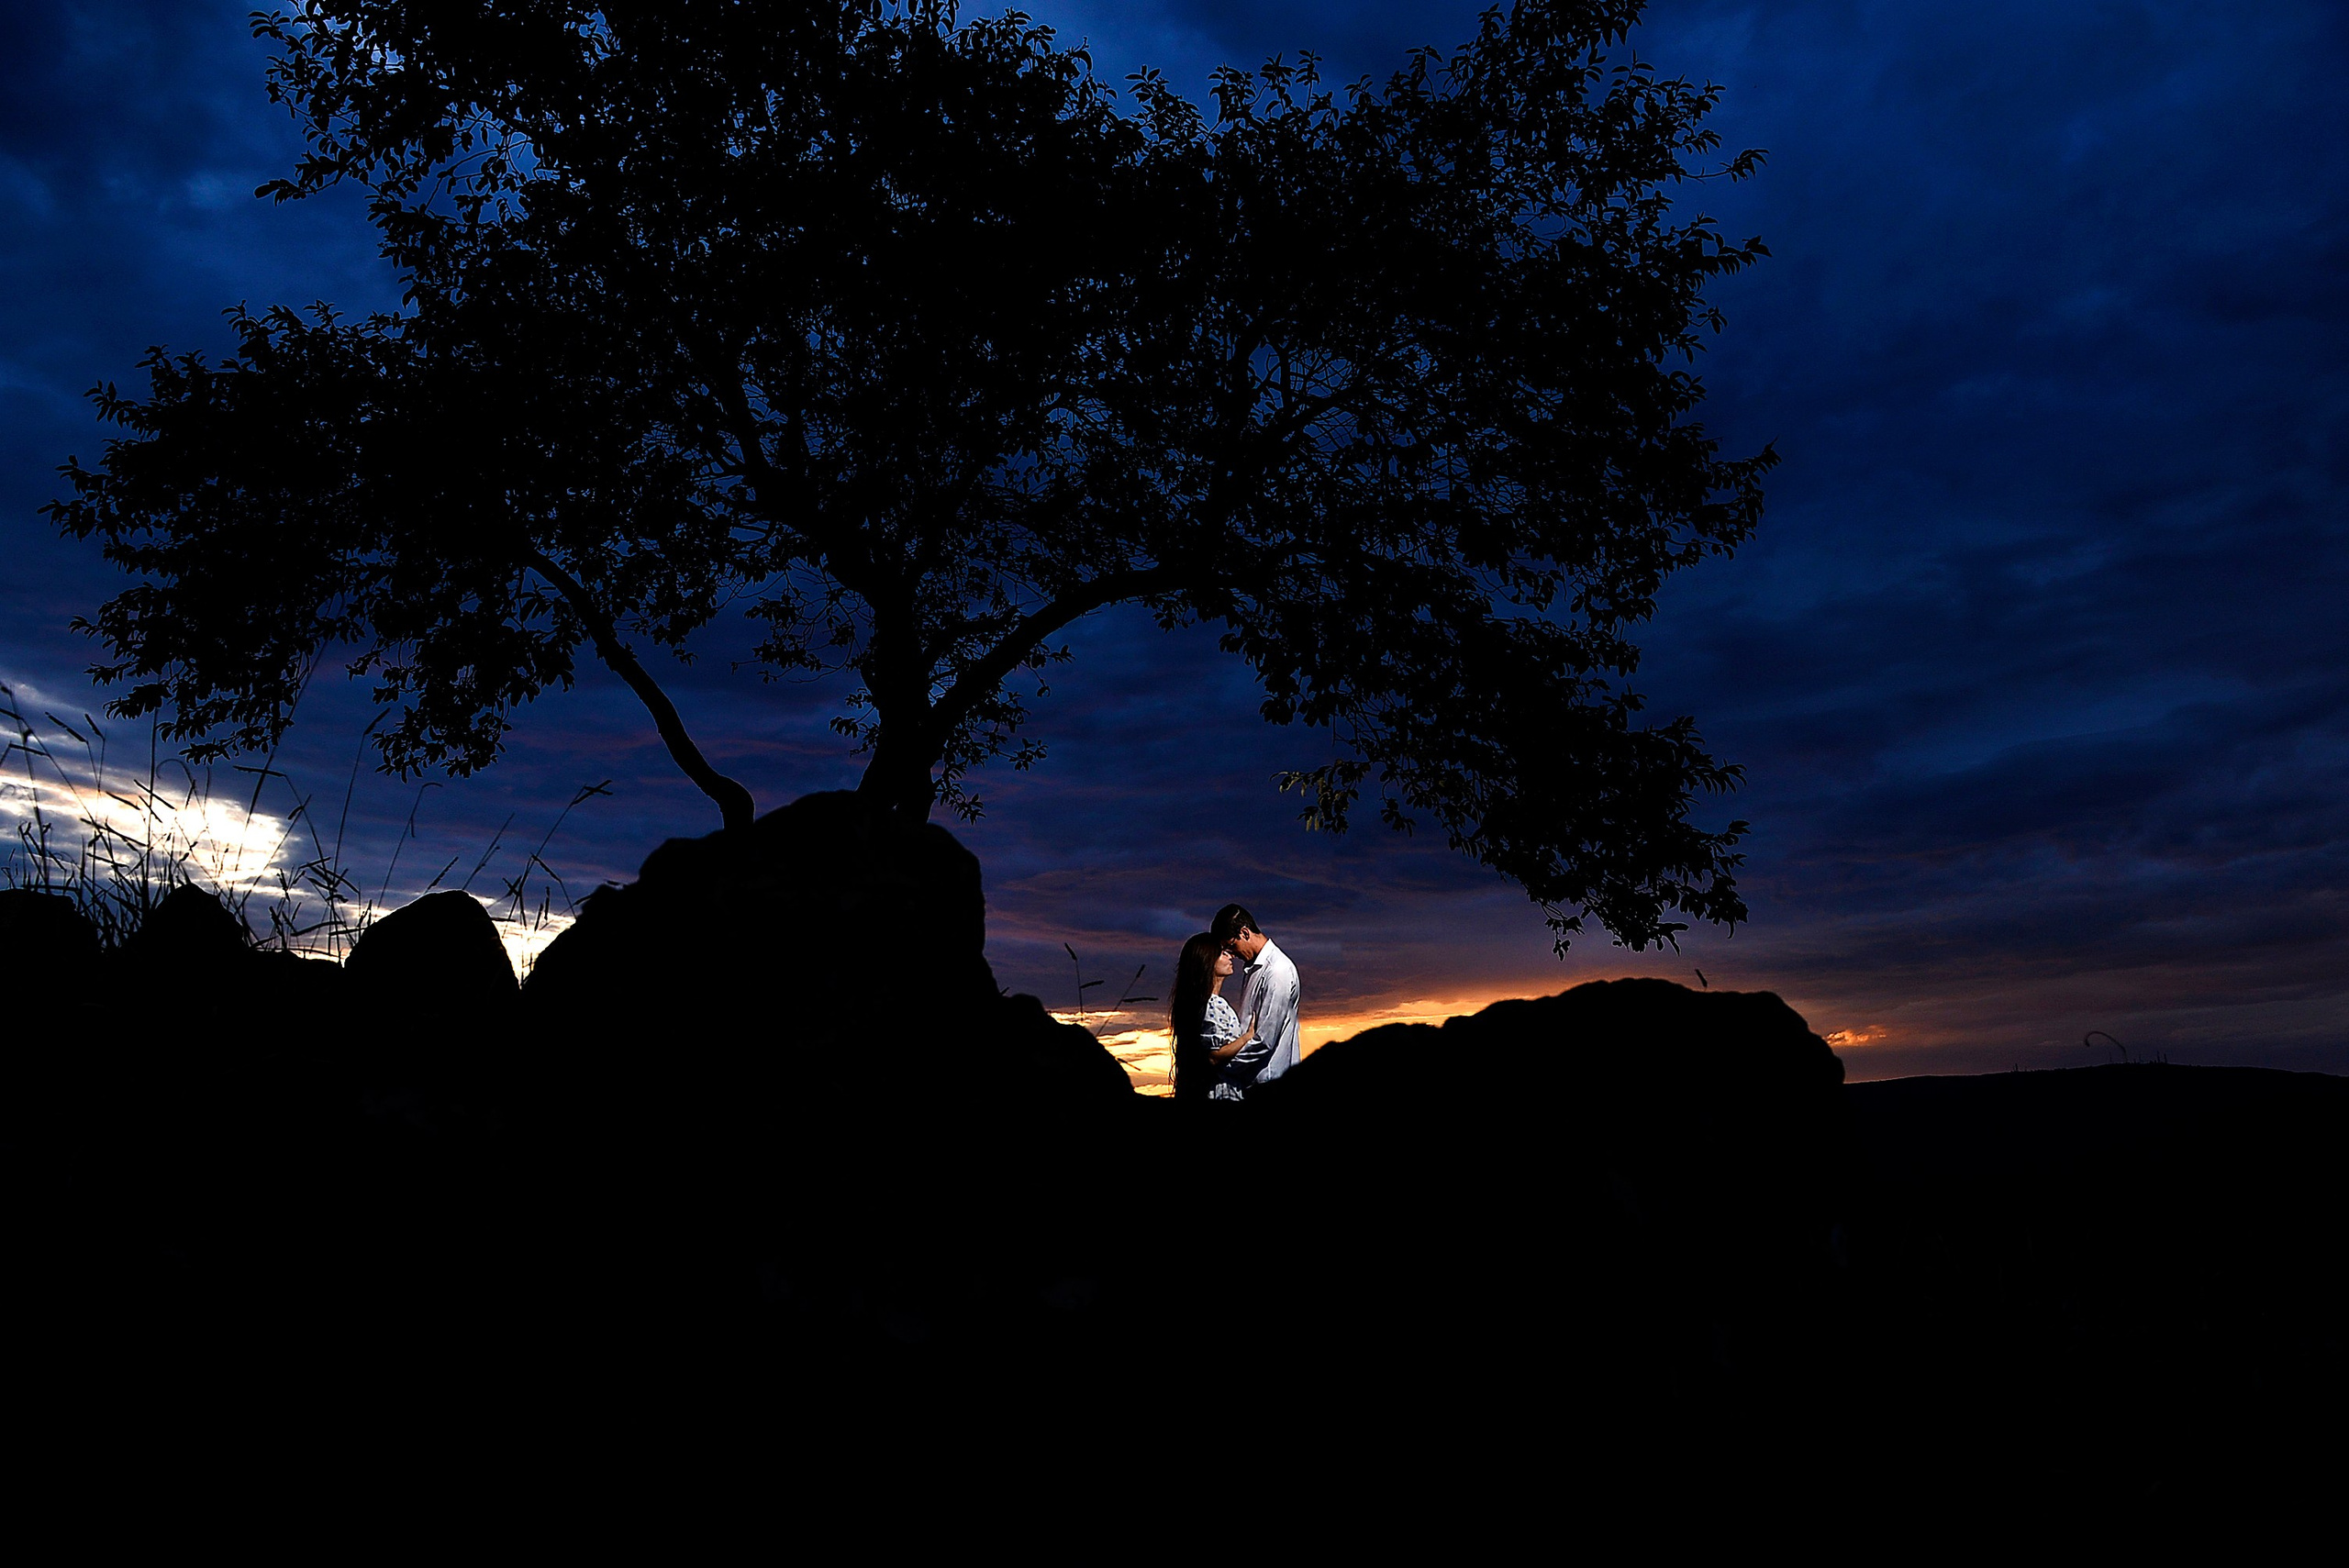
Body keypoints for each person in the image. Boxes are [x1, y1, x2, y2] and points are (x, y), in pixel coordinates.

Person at [1211, 904, 1301, 1088]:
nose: (1232, 954)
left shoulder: (1278, 971)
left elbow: (1264, 1041)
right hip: (1250, 1083)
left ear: (1245, 933)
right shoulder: (1254, 969)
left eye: (1231, 946)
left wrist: (1223, 1069)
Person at [1168, 931, 1255, 1102]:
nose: (1230, 956)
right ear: (1208, 962)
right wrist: (1248, 1037)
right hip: (1219, 1095)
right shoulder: (1212, 1005)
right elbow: (1214, 1056)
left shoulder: (1204, 1004)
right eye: (1223, 953)